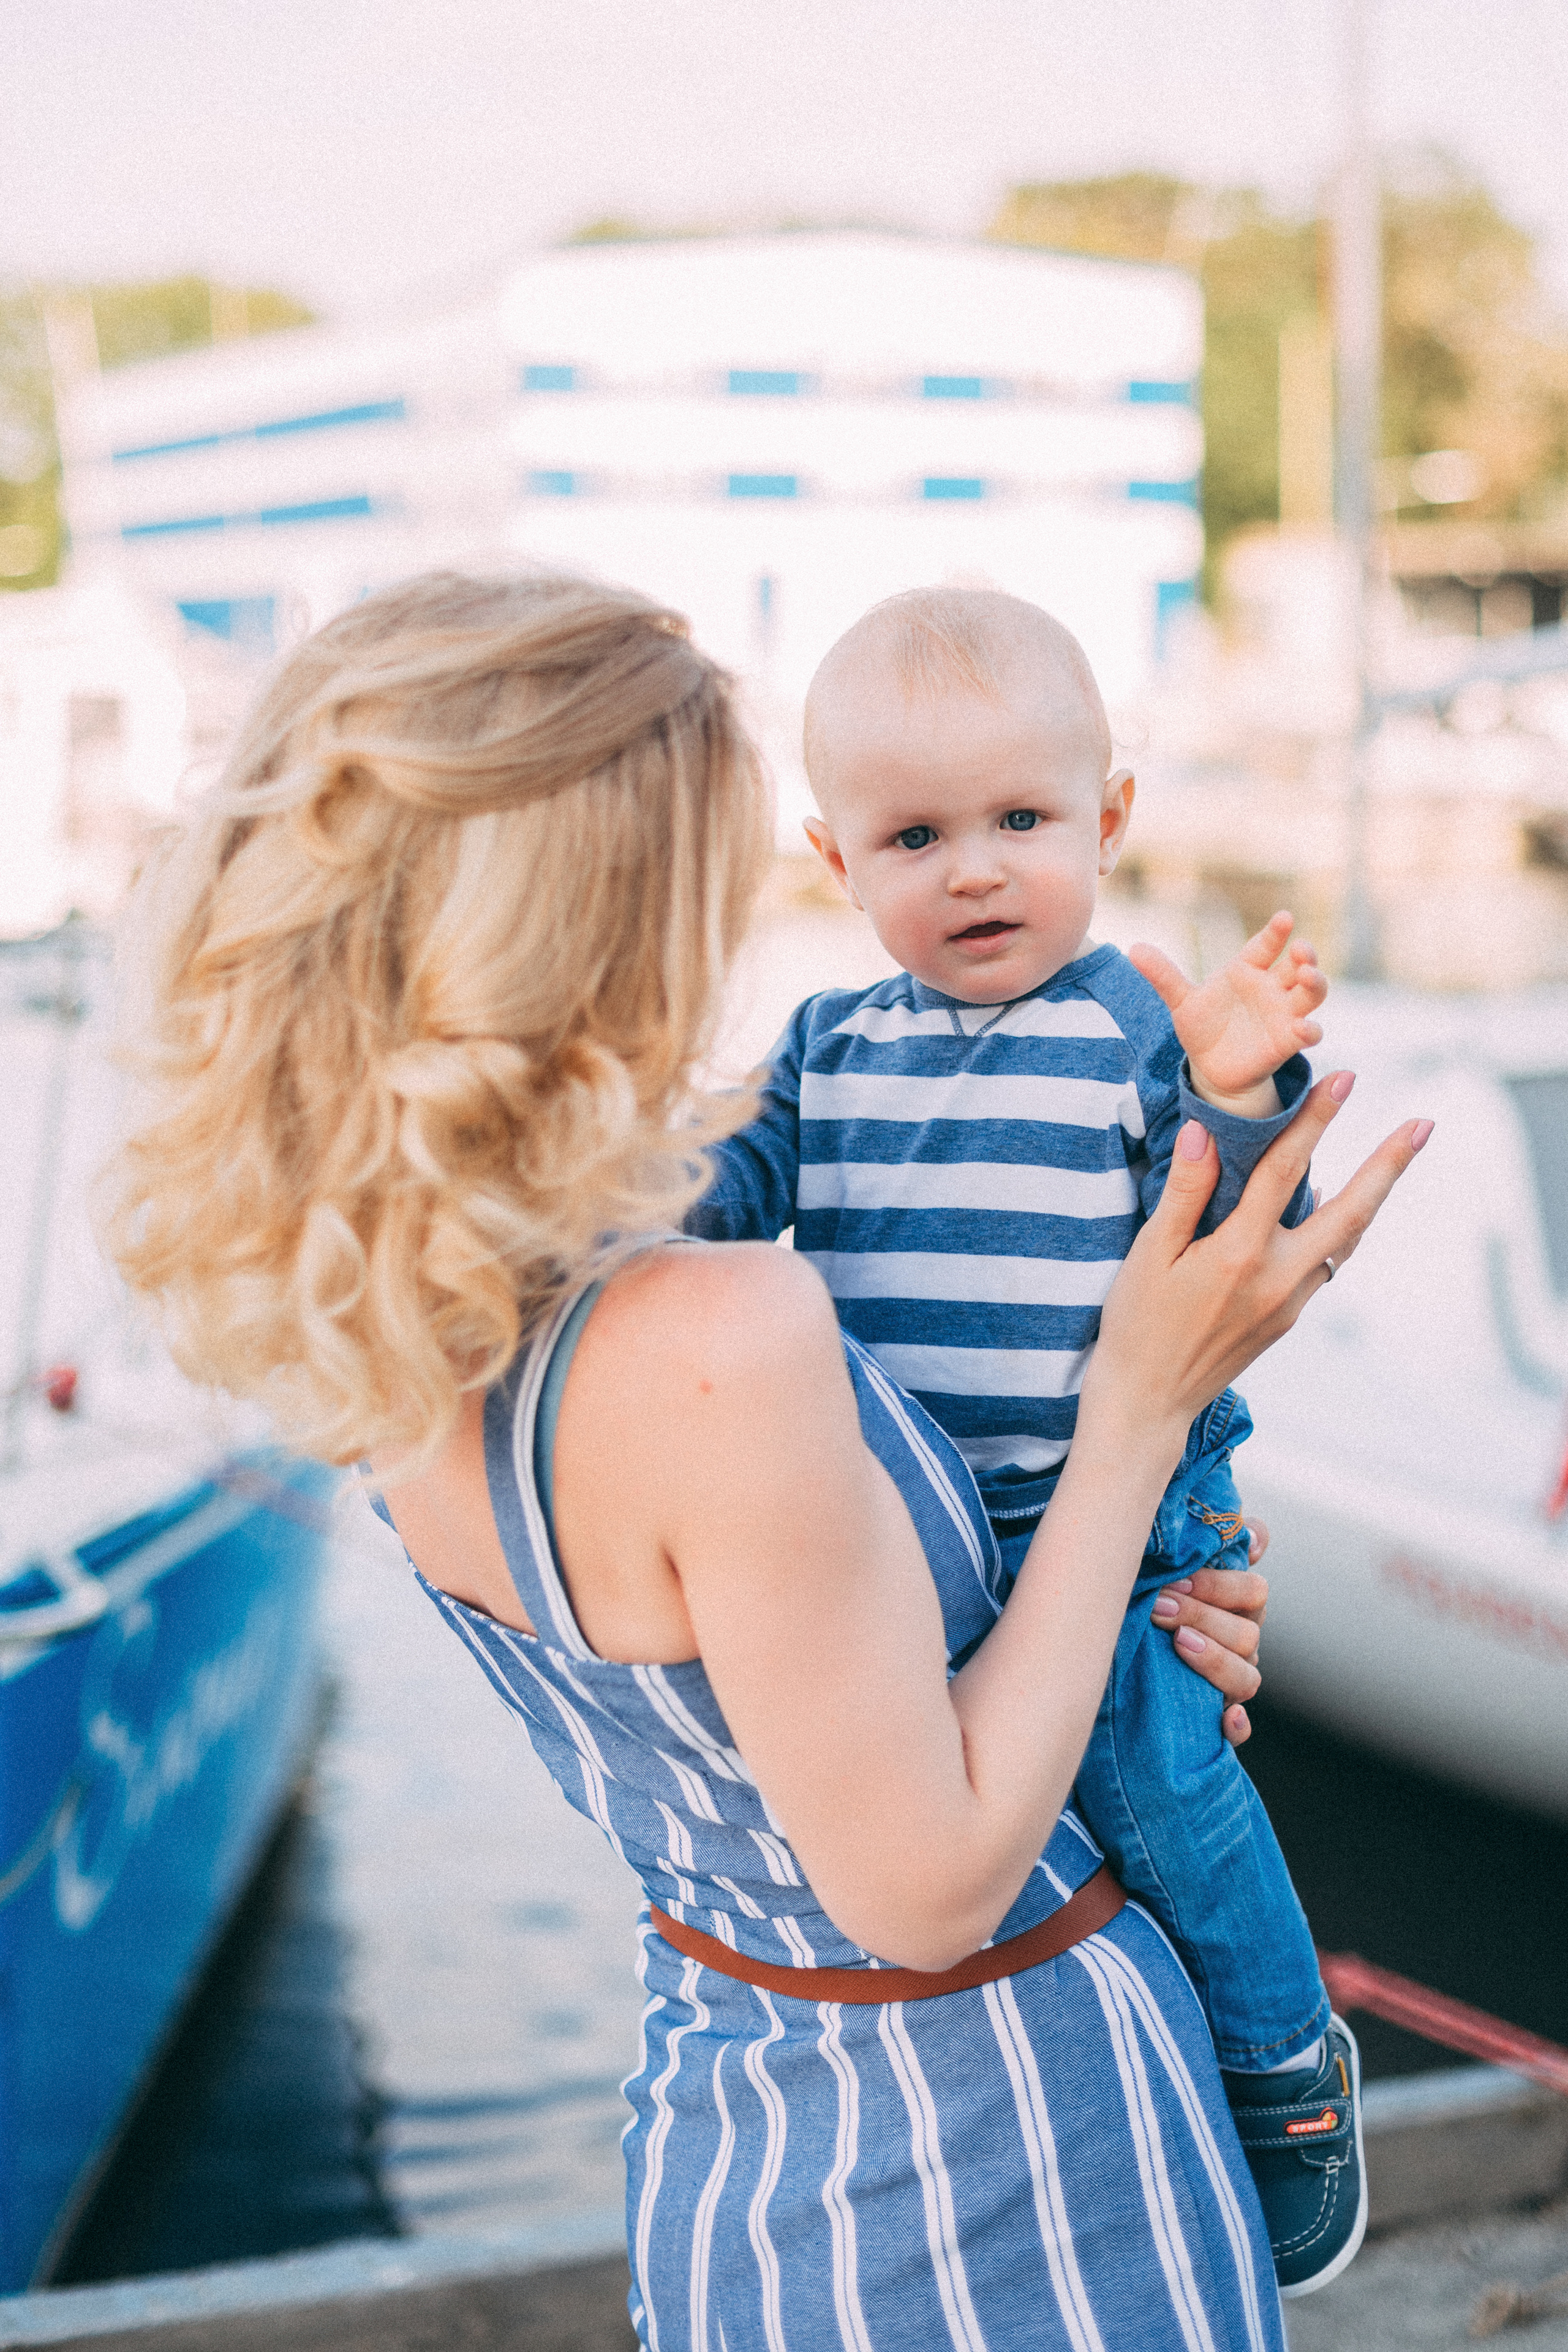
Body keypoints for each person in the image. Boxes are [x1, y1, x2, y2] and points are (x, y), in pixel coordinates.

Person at [107, 572, 1427, 2351]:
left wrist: (1132, 1605)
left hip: (743, 2130)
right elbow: (933, 1882)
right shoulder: (723, 1337)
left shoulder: (411, 1317)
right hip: (1007, 2173)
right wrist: (1135, 1422)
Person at [686, 586, 1357, 2293]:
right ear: (839, 862)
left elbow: (1218, 1202)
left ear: (1109, 819)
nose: (976, 869)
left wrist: (1241, 1076)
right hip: (925, 1538)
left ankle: (1284, 2069)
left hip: (1118, 1521)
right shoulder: (828, 1052)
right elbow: (712, 1202)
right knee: (994, 1805)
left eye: (1022, 822)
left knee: (1153, 1770)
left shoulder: (1129, 1034)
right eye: (918, 835)